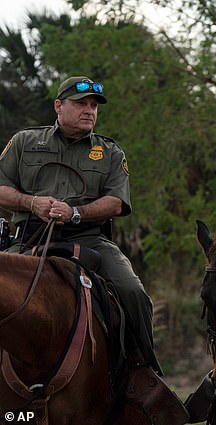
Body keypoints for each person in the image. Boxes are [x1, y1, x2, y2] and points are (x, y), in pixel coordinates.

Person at [0, 76, 161, 375]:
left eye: (93, 106)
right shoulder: (25, 142)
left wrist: (75, 212)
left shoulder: (110, 152)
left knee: (133, 292)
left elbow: (115, 201)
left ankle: (144, 374)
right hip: (28, 239)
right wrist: (31, 203)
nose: (89, 111)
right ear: (59, 106)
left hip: (88, 238)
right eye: (80, 104)